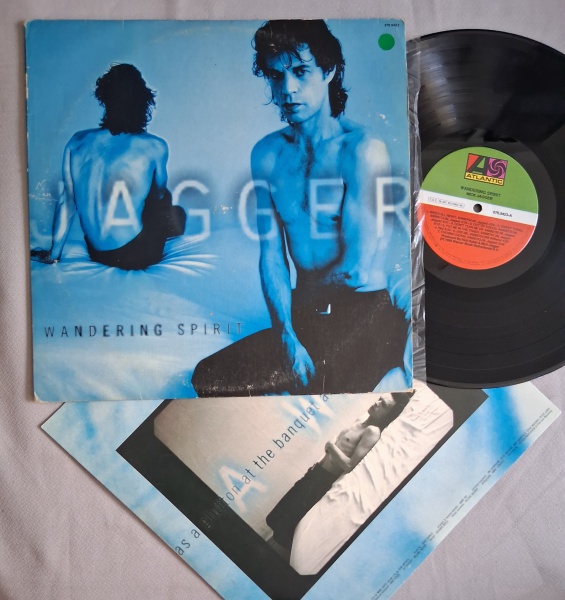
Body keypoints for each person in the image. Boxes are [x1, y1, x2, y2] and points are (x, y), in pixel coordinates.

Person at [191, 20, 408, 396]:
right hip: (304, 316)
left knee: (323, 393)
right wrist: (286, 333)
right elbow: (271, 255)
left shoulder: (361, 150)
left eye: (300, 71)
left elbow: (355, 269)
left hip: (363, 312)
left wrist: (299, 303)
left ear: (329, 70)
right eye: (276, 75)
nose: (287, 89)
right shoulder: (267, 154)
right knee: (207, 377)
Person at [31, 64, 185, 270]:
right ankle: (168, 226)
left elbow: (67, 201)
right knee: (171, 204)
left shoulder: (77, 141)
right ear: (142, 103)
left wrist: (53, 254)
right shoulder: (155, 146)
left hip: (97, 253)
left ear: (105, 99)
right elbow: (158, 194)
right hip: (137, 253)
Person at [266, 392, 412, 549]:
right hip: (314, 472)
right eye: (380, 399)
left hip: (323, 480)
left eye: (383, 405)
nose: (377, 403)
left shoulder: (372, 432)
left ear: (388, 415)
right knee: (278, 516)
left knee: (287, 530)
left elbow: (350, 465)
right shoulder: (360, 422)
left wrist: (331, 446)